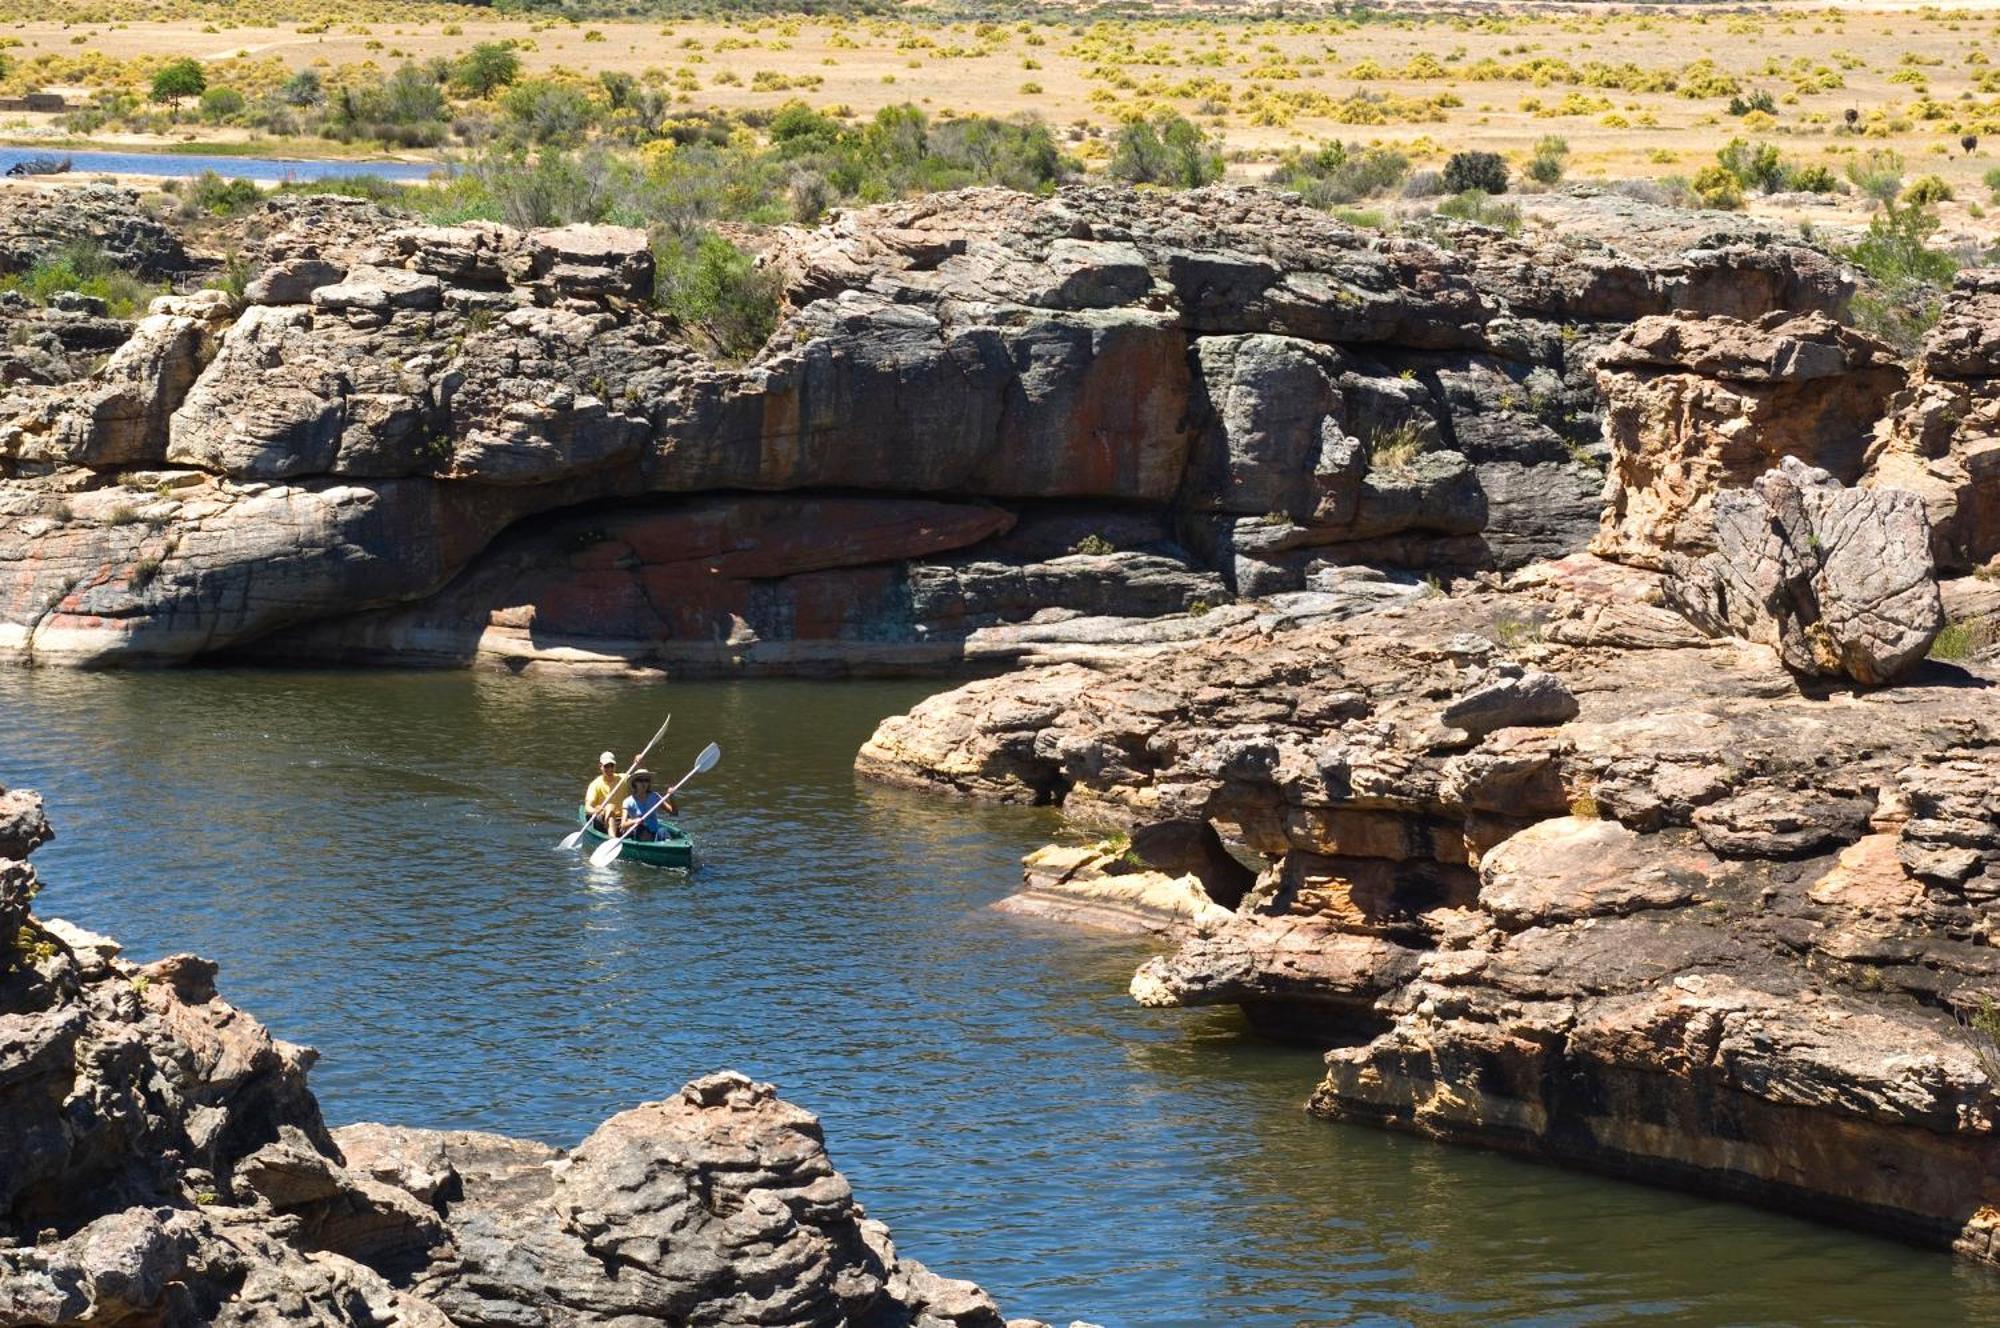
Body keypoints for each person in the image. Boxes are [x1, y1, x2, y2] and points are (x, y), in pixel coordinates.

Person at [621, 770, 676, 842]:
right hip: (639, 834)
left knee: (663, 831)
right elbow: (623, 825)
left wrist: (671, 798)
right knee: (641, 828)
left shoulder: (655, 796)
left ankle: (668, 846)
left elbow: (674, 813)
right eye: (640, 780)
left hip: (655, 833)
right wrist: (635, 821)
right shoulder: (628, 801)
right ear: (634, 783)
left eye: (646, 780)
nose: (644, 783)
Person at [583, 751, 630, 833]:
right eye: (606, 766)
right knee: (610, 807)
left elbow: (639, 776)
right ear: (600, 766)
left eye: (612, 766)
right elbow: (588, 807)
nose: (610, 769)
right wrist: (595, 810)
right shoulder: (595, 784)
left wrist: (639, 762)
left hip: (623, 819)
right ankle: (612, 838)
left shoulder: (623, 779)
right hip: (604, 820)